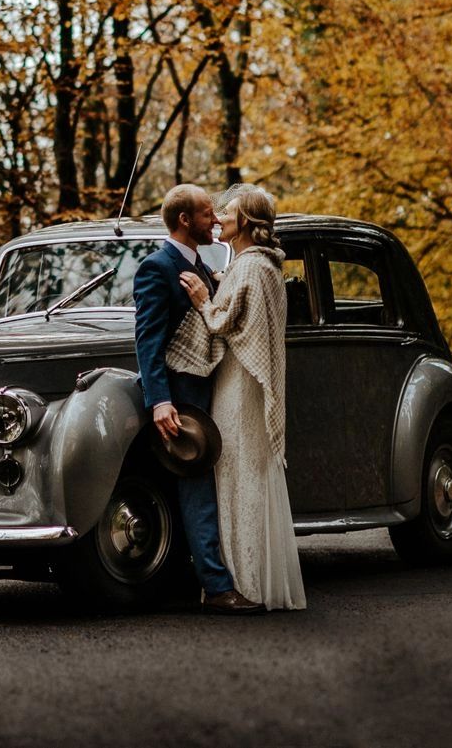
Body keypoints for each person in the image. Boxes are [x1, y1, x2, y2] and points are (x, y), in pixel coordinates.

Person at [167, 184, 306, 612]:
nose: (220, 218)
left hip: (240, 384)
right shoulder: (257, 265)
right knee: (241, 471)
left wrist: (204, 300)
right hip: (240, 380)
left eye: (227, 212)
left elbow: (228, 323)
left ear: (244, 220)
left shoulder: (251, 268)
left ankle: (243, 581)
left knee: (236, 472)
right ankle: (245, 578)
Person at [133, 184, 265, 615]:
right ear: (186, 221)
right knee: (197, 488)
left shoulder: (202, 267)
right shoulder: (157, 267)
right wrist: (160, 401)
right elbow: (148, 342)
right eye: (209, 214)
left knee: (207, 487)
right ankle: (216, 586)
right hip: (183, 400)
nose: (216, 220)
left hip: (214, 392)